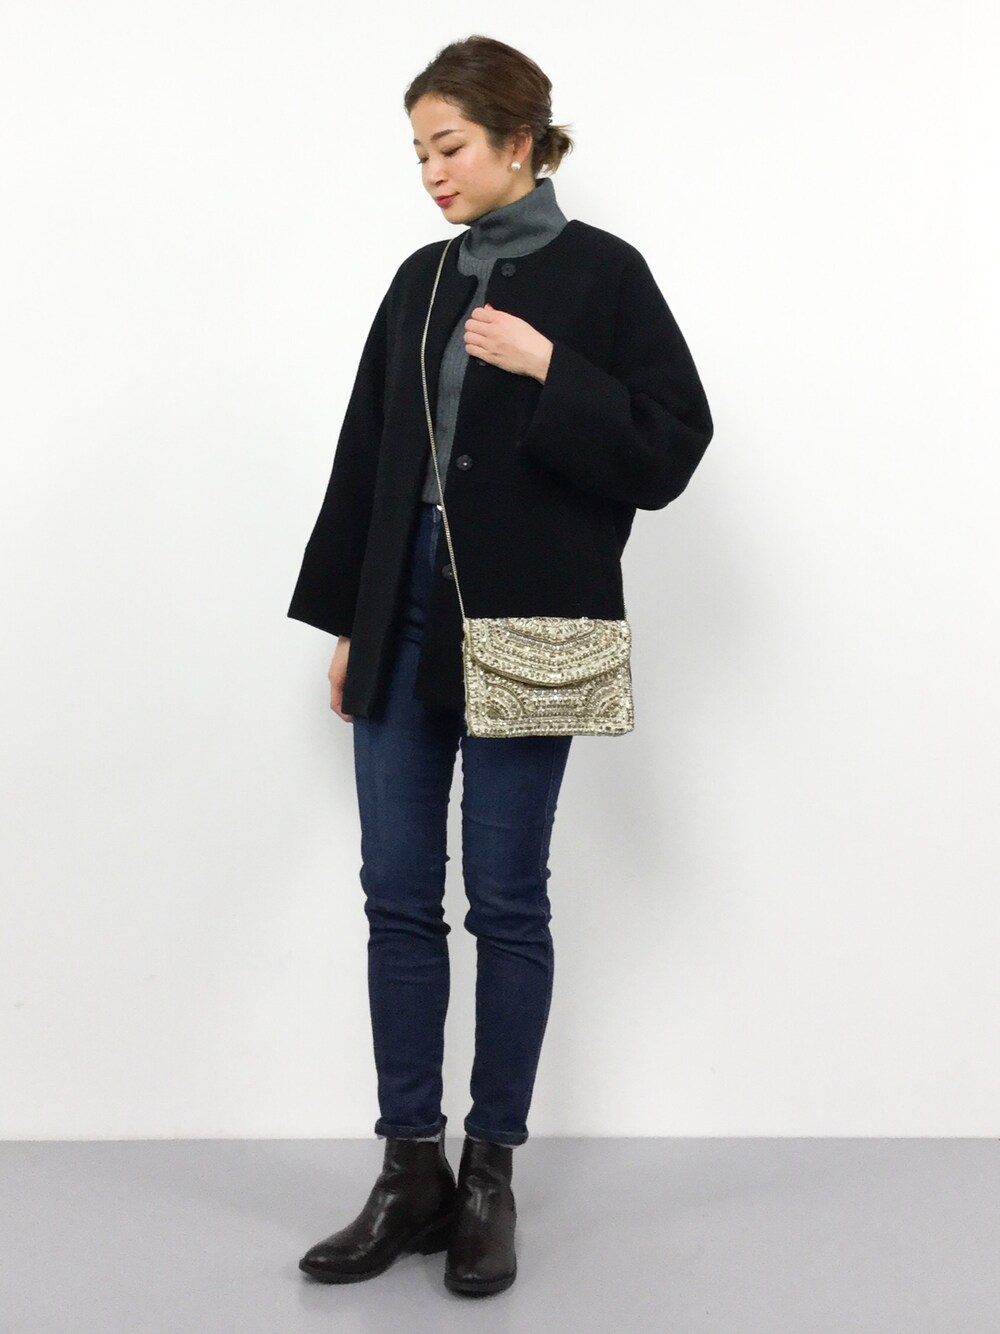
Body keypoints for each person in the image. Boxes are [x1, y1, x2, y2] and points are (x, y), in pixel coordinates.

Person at [290, 35, 713, 1297]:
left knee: (508, 900)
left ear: (519, 142)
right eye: (419, 151)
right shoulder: (417, 281)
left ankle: (489, 1175)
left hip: (538, 617)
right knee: (394, 893)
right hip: (403, 611)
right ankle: (407, 1169)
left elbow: (671, 446)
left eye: (451, 146)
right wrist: (351, 620)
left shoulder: (604, 274)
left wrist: (551, 369)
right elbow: (369, 450)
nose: (431, 172)